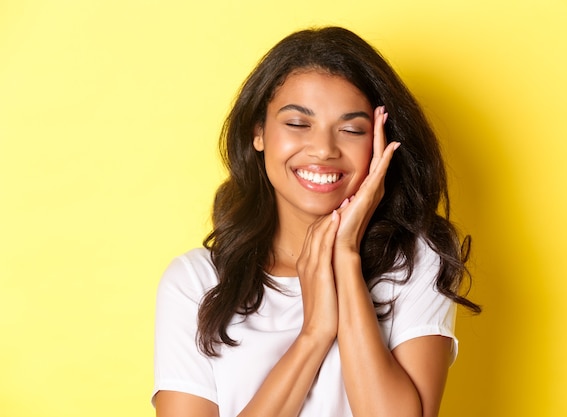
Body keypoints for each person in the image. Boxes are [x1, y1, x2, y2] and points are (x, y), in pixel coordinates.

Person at [152, 26, 480, 417]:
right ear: (258, 131)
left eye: (352, 129)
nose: (323, 149)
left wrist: (345, 259)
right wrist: (314, 334)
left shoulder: (415, 263)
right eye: (297, 124)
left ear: (379, 143)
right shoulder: (196, 283)